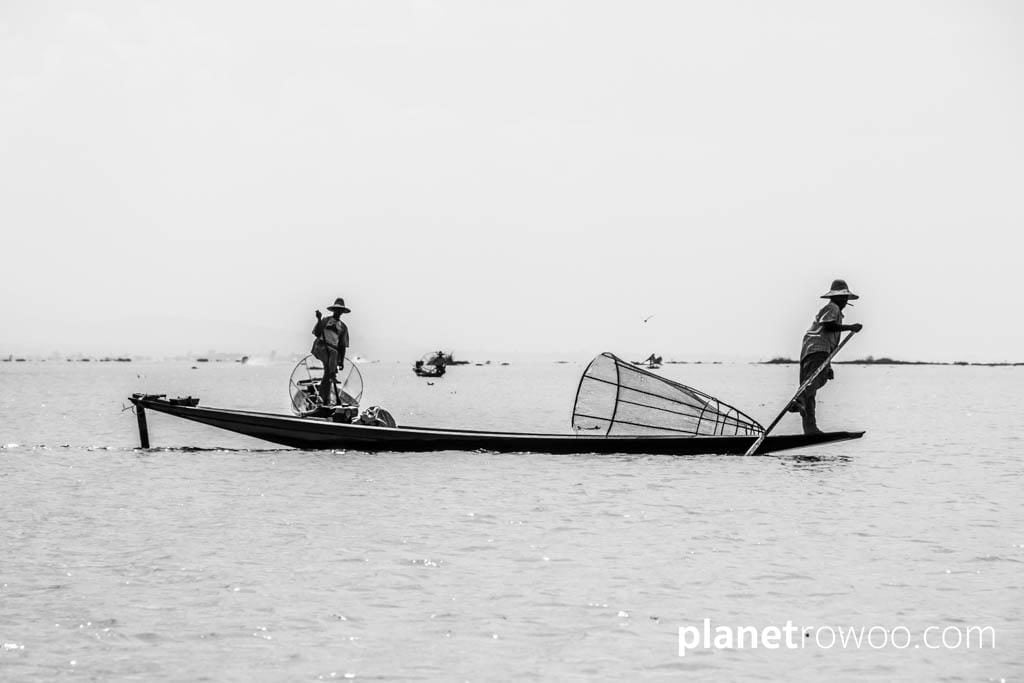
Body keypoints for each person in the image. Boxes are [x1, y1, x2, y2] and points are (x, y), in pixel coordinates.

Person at [791, 279, 863, 434]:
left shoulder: (835, 311)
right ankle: (798, 401)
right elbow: (828, 326)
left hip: (812, 350)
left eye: (845, 298)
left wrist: (828, 365)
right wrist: (851, 327)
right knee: (817, 380)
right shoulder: (832, 308)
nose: (844, 301)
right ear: (834, 297)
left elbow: (829, 339)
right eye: (842, 297)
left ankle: (810, 428)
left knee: (810, 391)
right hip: (817, 349)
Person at [311, 297, 350, 406]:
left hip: (332, 352)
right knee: (330, 368)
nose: (338, 312)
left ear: (342, 312)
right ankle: (324, 395)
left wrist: (341, 362)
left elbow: (342, 346)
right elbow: (317, 332)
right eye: (336, 310)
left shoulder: (343, 327)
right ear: (333, 310)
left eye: (340, 311)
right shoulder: (326, 320)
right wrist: (318, 319)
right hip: (321, 347)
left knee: (328, 373)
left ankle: (324, 398)